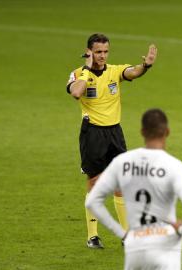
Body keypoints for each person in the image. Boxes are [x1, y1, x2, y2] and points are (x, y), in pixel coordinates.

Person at [66, 33, 158, 248]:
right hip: (92, 134)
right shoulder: (78, 74)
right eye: (98, 52)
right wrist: (87, 69)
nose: (103, 56)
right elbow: (76, 93)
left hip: (115, 132)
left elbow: (133, 72)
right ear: (89, 51)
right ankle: (92, 236)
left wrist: (145, 66)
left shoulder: (115, 71)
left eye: (106, 51)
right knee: (95, 183)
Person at [85, 108, 182, 270]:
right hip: (165, 245)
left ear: (142, 132)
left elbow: (92, 201)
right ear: (167, 132)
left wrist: (122, 233)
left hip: (135, 246)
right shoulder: (175, 166)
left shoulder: (123, 162)